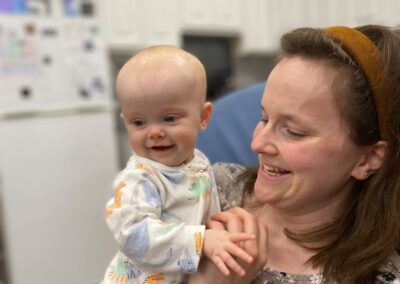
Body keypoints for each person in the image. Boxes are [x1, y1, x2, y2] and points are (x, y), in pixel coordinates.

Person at [189, 25, 400, 284]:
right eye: (264, 118)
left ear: (368, 159)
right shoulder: (204, 189)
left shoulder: (376, 277)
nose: (258, 143)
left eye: (294, 131)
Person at [102, 45, 255, 284]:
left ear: (203, 117)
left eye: (169, 119)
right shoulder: (138, 179)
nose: (153, 132)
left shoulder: (199, 162)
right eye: (139, 122)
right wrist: (203, 241)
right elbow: (134, 236)